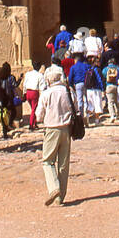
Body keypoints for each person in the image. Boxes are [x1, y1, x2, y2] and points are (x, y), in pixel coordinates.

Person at [37, 65, 73, 206]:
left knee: (48, 161)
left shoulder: (46, 93)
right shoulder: (67, 91)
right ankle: (60, 198)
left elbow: (39, 115)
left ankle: (54, 188)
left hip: (52, 128)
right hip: (66, 129)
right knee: (63, 164)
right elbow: (75, 106)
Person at [68, 55, 93, 119]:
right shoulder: (86, 66)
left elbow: (70, 77)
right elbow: (91, 70)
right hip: (86, 83)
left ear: (75, 60)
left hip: (78, 84)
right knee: (86, 99)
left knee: (80, 100)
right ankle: (87, 114)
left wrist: (71, 84)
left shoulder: (73, 67)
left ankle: (81, 116)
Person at [0, 62, 18, 138]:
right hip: (9, 98)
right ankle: (9, 124)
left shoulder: (0, 77)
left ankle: (5, 132)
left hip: (1, 98)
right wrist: (19, 79)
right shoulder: (11, 77)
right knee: (13, 112)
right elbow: (15, 85)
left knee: (4, 115)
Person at [22, 62, 44, 129]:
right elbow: (42, 86)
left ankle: (34, 123)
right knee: (33, 109)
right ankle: (31, 124)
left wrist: (24, 93)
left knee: (32, 109)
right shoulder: (40, 75)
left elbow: (24, 84)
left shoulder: (28, 74)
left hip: (28, 92)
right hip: (34, 93)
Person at [84, 57, 106, 125]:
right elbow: (99, 80)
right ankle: (97, 121)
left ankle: (87, 116)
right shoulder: (97, 70)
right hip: (96, 89)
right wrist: (103, 89)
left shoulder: (89, 69)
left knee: (90, 105)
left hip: (89, 89)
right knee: (97, 105)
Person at [102, 57, 119, 121]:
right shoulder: (118, 68)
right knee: (116, 101)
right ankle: (118, 114)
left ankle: (112, 115)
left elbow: (103, 76)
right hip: (116, 86)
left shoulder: (105, 69)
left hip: (109, 86)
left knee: (110, 102)